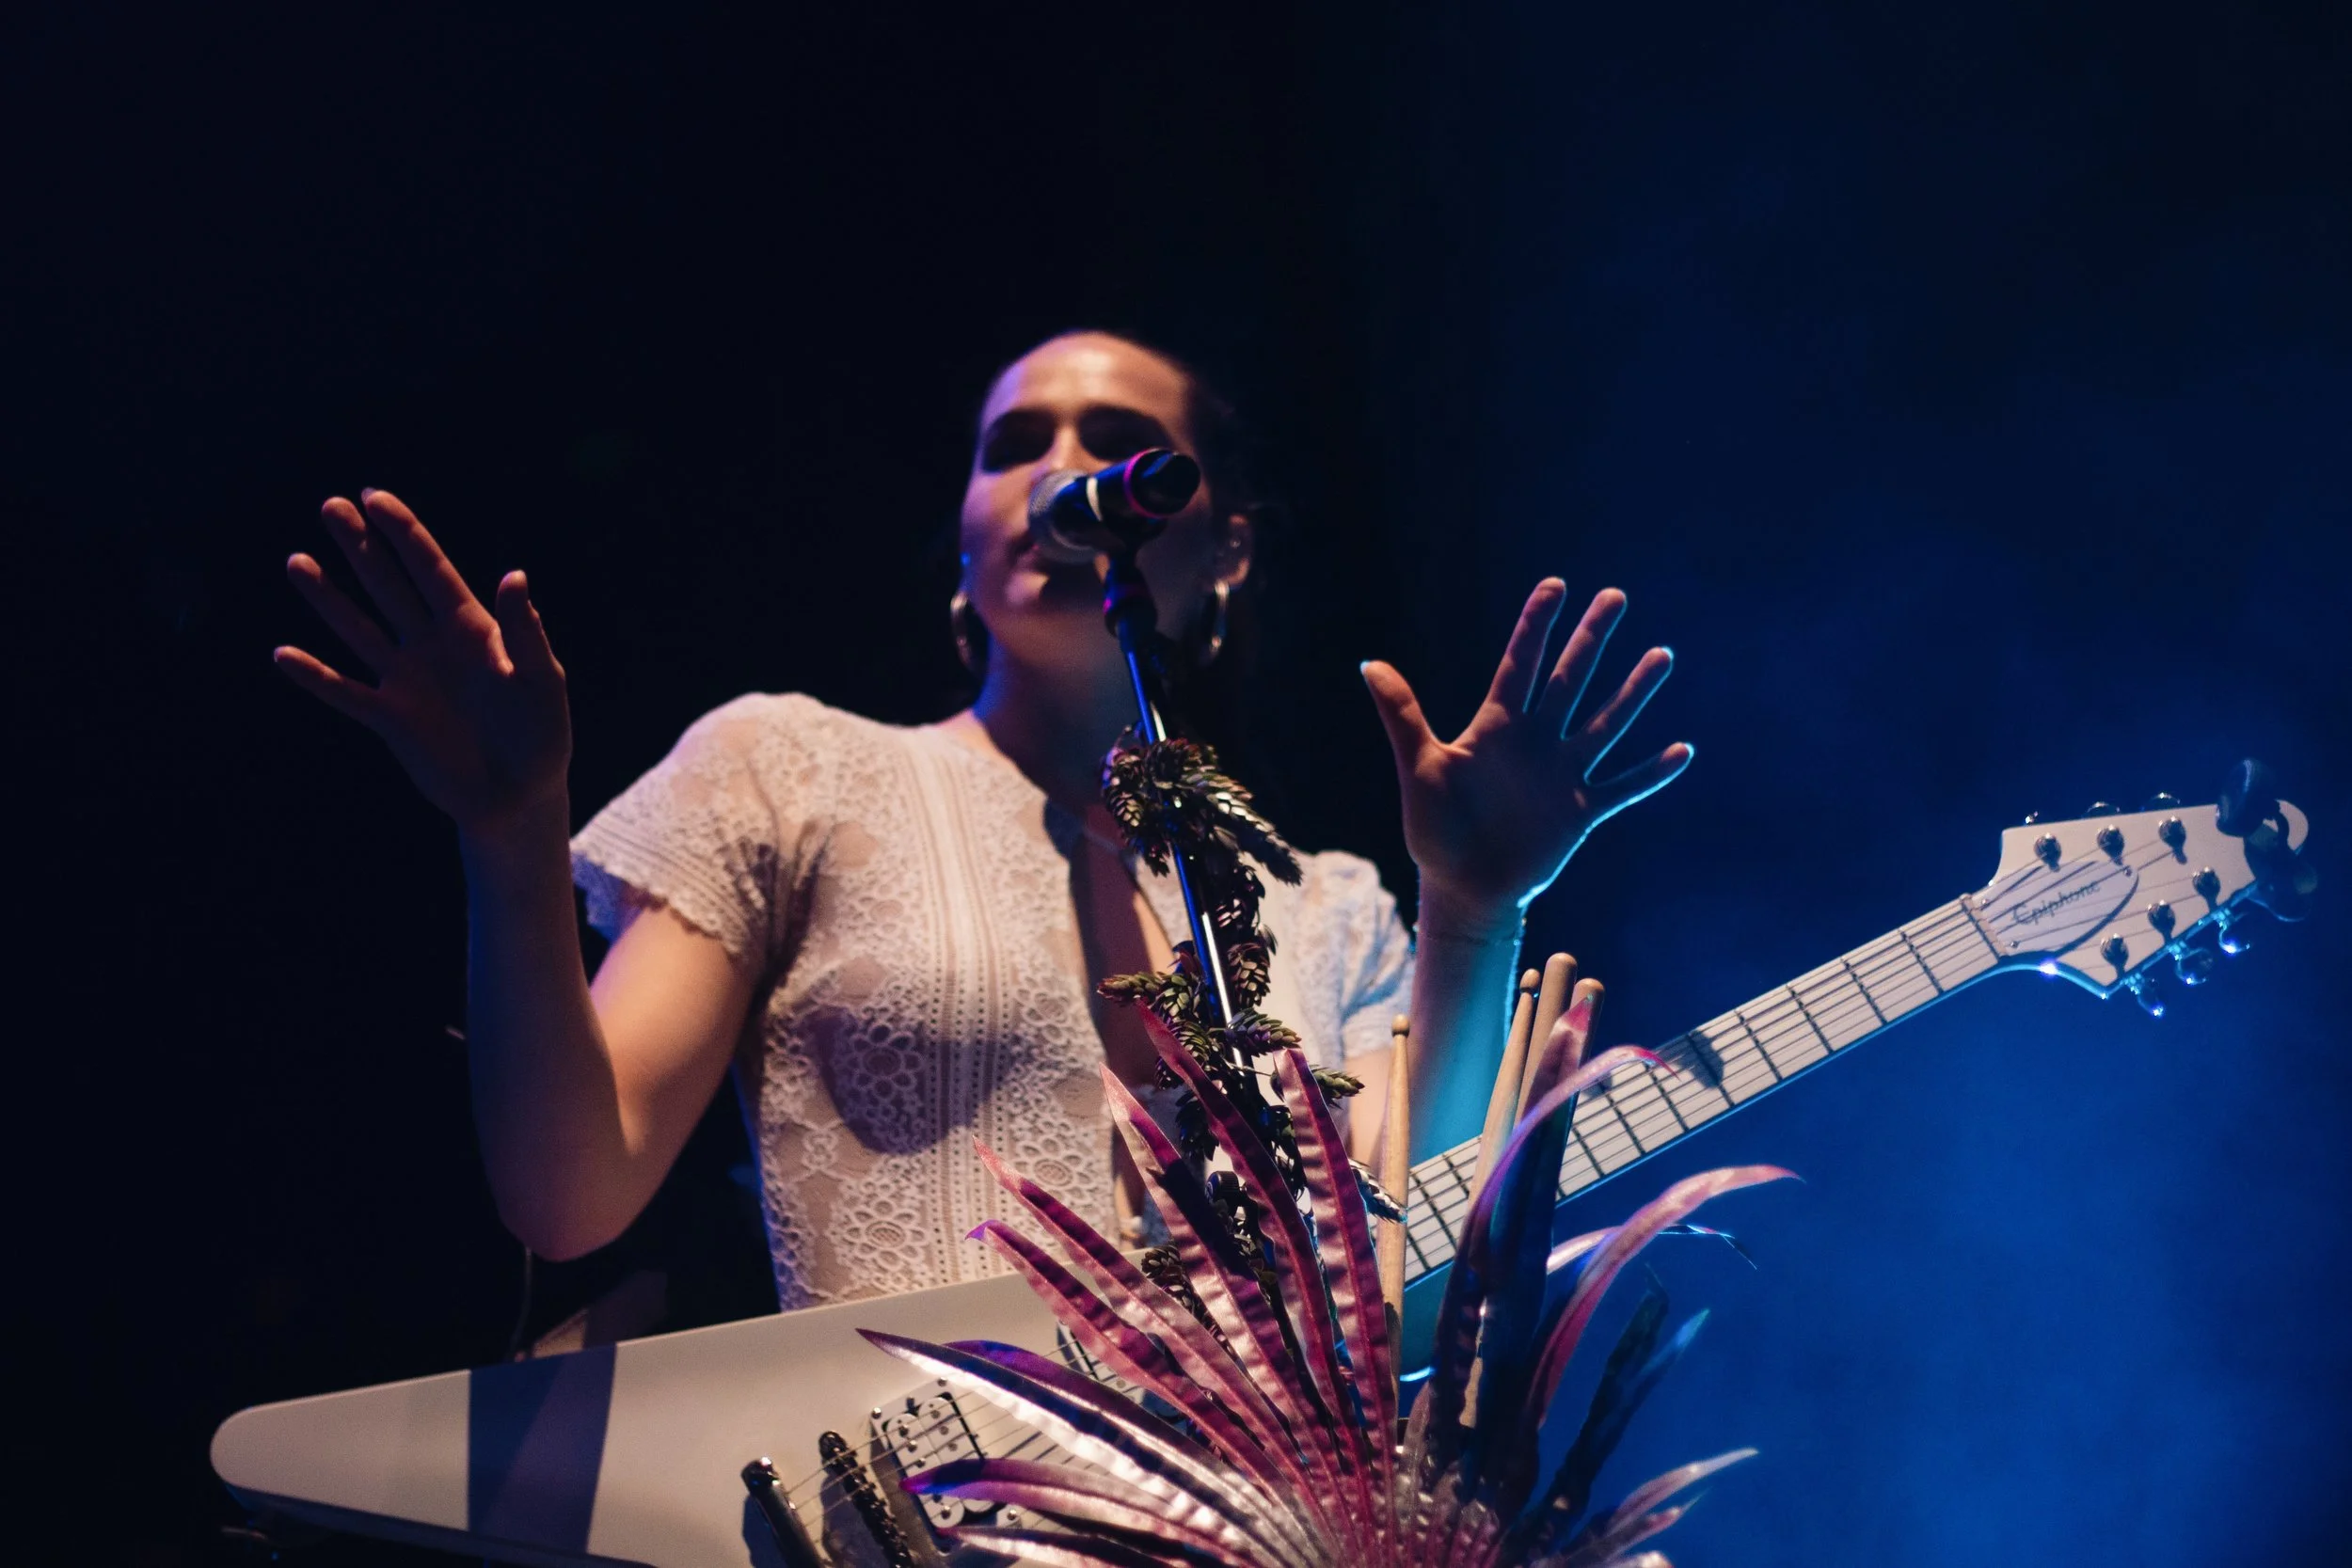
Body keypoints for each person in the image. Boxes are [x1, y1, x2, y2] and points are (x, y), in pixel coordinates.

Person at [273, 330, 1690, 1310]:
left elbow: (1407, 1273)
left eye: (1123, 446)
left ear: (1227, 548)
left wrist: (1473, 908)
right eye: (1015, 443)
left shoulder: (1322, 907)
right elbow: (569, 1193)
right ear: (961, 530)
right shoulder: (791, 768)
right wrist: (513, 835)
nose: (1058, 471)